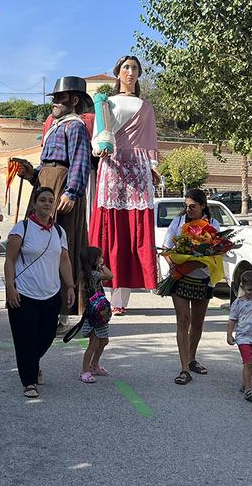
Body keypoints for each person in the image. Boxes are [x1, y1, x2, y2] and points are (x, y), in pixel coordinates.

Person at [17, 76, 92, 332]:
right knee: (37, 244)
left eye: (60, 98)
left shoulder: (76, 126)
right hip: (46, 183)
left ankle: (62, 313)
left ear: (73, 100)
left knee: (62, 248)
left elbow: (80, 162)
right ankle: (37, 304)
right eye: (55, 99)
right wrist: (31, 175)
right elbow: (46, 166)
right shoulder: (53, 127)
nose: (55, 103)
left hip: (62, 186)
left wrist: (71, 192)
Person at [89, 55, 159, 316]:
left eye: (135, 68)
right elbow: (99, 135)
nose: (131, 72)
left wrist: (153, 169)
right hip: (113, 165)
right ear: (118, 72)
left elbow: (151, 143)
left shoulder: (145, 106)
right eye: (127, 67)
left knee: (132, 232)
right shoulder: (106, 103)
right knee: (112, 229)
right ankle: (100, 291)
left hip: (138, 168)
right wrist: (100, 151)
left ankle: (121, 299)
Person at [4, 187, 75, 398]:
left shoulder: (59, 232)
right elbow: (9, 260)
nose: (46, 203)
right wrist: (10, 288)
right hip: (24, 294)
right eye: (42, 200)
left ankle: (31, 364)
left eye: (50, 200)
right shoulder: (21, 229)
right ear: (34, 204)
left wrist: (70, 286)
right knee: (25, 338)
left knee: (47, 335)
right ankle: (29, 381)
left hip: (51, 293)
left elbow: (64, 259)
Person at [163, 189, 220, 384]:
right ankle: (184, 368)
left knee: (197, 322)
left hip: (202, 278)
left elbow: (215, 252)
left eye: (192, 207)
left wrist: (193, 264)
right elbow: (167, 248)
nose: (188, 210)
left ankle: (192, 357)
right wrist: (174, 267)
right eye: (186, 206)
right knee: (183, 320)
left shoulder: (213, 225)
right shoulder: (177, 223)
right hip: (179, 278)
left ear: (203, 206)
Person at [227, 271, 252, 401]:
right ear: (242, 287)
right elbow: (232, 319)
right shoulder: (238, 303)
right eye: (250, 290)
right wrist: (229, 334)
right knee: (248, 362)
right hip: (244, 338)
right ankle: (248, 388)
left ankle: (245, 383)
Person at [79, 246, 113, 383]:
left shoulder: (92, 274)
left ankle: (94, 364)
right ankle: (84, 370)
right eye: (100, 257)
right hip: (94, 313)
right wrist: (103, 266)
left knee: (104, 340)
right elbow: (110, 276)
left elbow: (104, 281)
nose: (102, 259)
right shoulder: (92, 274)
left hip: (100, 312)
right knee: (93, 342)